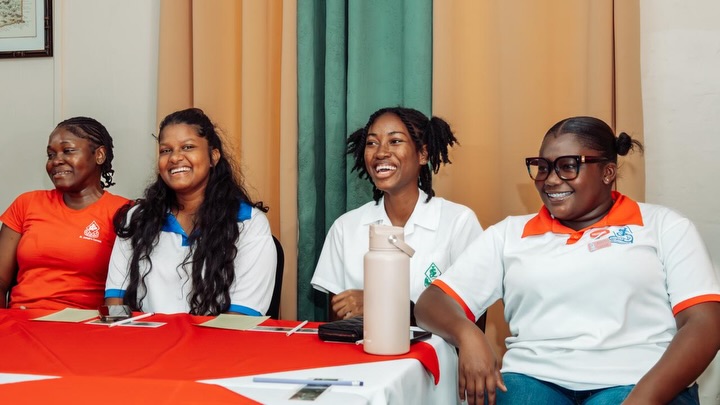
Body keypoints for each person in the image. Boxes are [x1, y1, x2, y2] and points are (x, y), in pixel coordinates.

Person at [414, 116, 720, 405]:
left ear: (607, 172)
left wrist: (642, 400)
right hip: (533, 379)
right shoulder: (508, 234)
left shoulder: (664, 226)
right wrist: (468, 335)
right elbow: (432, 302)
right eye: (543, 167)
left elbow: (704, 323)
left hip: (637, 380)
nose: (550, 180)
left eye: (568, 166)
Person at [311, 106, 483, 322]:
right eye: (372, 143)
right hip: (362, 344)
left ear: (423, 154)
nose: (381, 152)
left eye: (395, 141)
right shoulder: (345, 228)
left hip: (432, 345)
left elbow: (470, 317)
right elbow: (337, 322)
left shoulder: (458, 223)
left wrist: (380, 303)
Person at [105, 107, 276, 316]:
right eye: (165, 150)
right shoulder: (137, 218)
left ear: (213, 156)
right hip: (145, 336)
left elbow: (241, 317)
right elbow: (115, 302)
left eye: (187, 147)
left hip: (218, 336)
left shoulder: (248, 222)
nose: (175, 158)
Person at [0, 117, 129, 310]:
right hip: (22, 319)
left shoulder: (125, 212)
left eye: (67, 151)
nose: (56, 161)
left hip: (84, 322)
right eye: (50, 155)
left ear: (99, 155)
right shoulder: (26, 204)